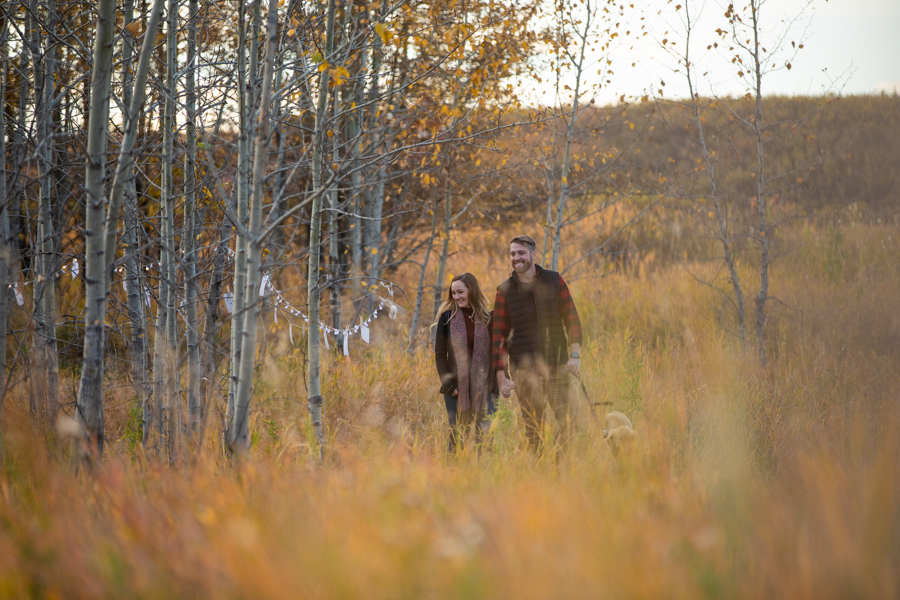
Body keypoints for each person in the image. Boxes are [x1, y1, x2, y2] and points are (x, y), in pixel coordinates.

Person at [492, 235, 583, 450]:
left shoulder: (554, 280)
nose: (516, 258)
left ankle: (558, 464)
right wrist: (500, 375)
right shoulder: (504, 290)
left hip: (557, 365)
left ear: (533, 254)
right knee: (534, 427)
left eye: (521, 253)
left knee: (571, 421)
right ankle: (540, 473)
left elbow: (572, 318)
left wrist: (575, 355)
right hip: (524, 370)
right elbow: (499, 335)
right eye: (512, 254)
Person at [434, 273, 496, 453]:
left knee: (483, 436)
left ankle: (480, 474)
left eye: (460, 292)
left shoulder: (488, 318)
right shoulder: (447, 318)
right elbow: (439, 355)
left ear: (472, 290)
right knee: (456, 434)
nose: (456, 297)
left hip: (483, 388)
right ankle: (451, 472)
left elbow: (496, 353)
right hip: (455, 387)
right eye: (453, 293)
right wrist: (448, 384)